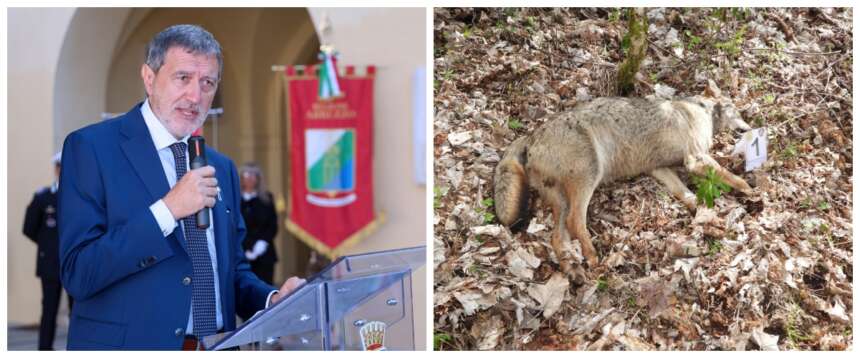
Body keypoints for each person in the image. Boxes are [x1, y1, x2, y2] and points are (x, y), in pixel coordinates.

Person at [58, 24, 303, 350]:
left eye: (208, 83)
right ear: (149, 77)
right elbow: (79, 272)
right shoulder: (91, 148)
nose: (195, 96)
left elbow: (229, 272)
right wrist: (168, 210)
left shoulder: (222, 167)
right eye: (183, 78)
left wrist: (271, 300)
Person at [23, 152, 74, 350]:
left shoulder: (79, 195)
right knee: (49, 311)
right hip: (50, 264)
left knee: (77, 311)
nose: (62, 170)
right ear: (56, 169)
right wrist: (47, 245)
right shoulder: (42, 197)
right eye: (60, 166)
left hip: (74, 262)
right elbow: (29, 228)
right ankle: (44, 350)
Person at [238, 164, 279, 285]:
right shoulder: (236, 200)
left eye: (254, 175)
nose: (250, 178)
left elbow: (272, 225)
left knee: (264, 286)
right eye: (247, 174)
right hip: (241, 252)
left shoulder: (266, 198)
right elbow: (234, 225)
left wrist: (261, 244)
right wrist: (245, 247)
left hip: (264, 253)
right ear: (241, 178)